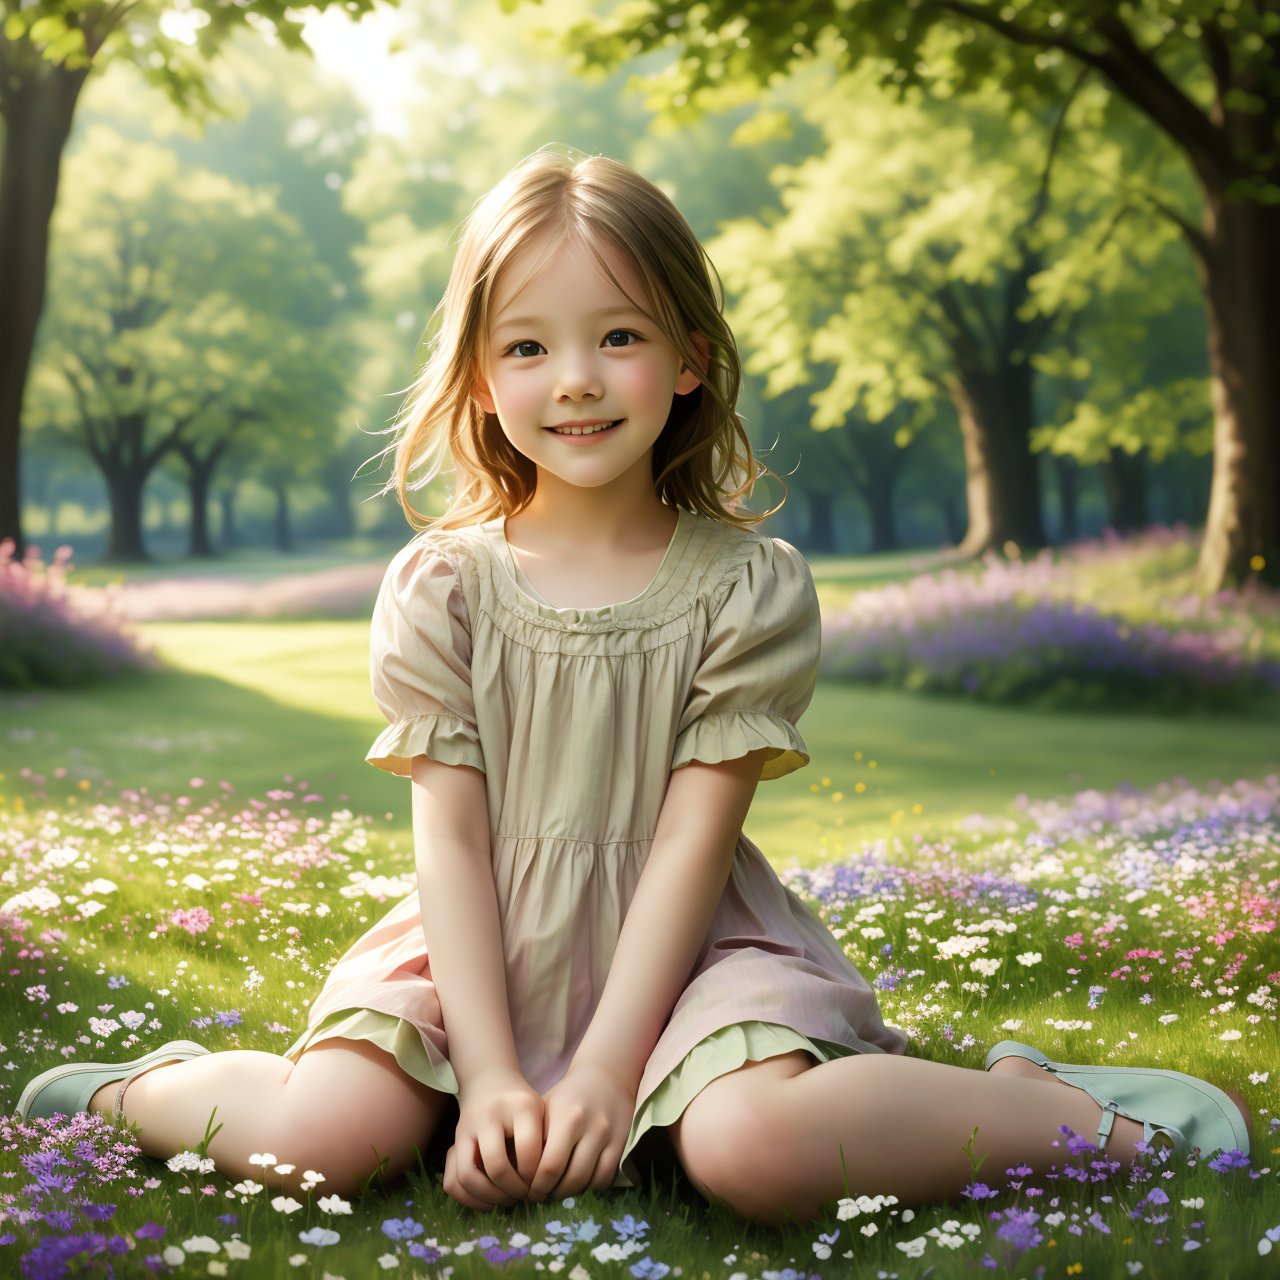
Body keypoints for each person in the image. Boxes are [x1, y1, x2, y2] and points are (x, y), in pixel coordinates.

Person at [16, 146, 1252, 1228]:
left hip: (695, 948)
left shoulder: (745, 586)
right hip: (479, 946)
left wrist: (608, 1074)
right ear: (479, 376)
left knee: (747, 1148)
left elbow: (686, 849)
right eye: (527, 345)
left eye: (618, 335)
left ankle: (1062, 1112)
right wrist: (493, 1074)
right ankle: (141, 1088)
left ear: (688, 361)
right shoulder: (441, 583)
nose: (575, 378)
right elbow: (447, 842)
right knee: (330, 1141)